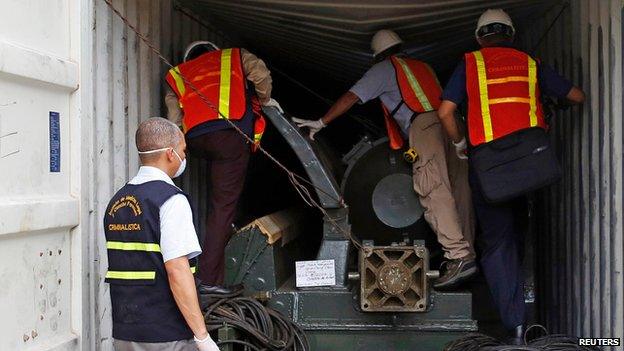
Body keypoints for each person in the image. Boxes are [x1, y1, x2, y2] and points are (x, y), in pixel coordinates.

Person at [437, 9, 585, 343]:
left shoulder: (471, 64)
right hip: (532, 168)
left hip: (491, 170)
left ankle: (515, 324)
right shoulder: (530, 63)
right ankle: (520, 303)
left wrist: (461, 143)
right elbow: (577, 96)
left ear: (479, 37)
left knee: (497, 243)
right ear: (512, 34)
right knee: (519, 230)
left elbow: (445, 112)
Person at [294, 29, 477, 289]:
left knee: (433, 187)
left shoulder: (383, 69)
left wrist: (322, 122)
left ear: (377, 56)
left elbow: (351, 97)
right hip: (451, 124)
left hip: (425, 127)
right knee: (461, 189)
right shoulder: (422, 66)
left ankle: (457, 256)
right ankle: (467, 256)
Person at [165, 41, 282, 291]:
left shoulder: (180, 72)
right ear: (214, 51)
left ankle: (226, 235)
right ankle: (208, 281)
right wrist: (265, 98)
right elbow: (260, 73)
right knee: (223, 206)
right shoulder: (235, 57)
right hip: (229, 134)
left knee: (222, 197)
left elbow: (174, 119)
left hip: (196, 140)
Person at [104, 117, 219, 351]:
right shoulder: (170, 200)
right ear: (170, 153)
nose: (184, 157)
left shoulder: (117, 202)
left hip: (125, 334)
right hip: (167, 334)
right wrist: (202, 336)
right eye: (183, 150)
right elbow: (177, 270)